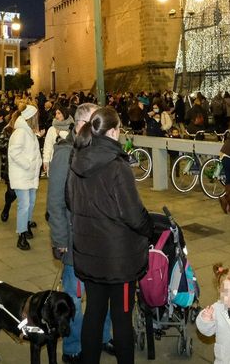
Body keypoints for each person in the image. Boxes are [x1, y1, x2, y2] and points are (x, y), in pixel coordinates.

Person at [68, 107, 152, 364]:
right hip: (119, 259)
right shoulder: (117, 166)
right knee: (122, 316)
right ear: (114, 131)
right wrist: (149, 228)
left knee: (93, 312)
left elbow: (70, 203)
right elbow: (134, 214)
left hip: (89, 253)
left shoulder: (77, 160)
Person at [47, 103, 109, 364]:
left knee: (102, 293)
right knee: (72, 296)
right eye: (97, 123)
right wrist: (60, 240)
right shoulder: (65, 154)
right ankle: (73, 347)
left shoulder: (97, 150)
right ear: (83, 124)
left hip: (99, 238)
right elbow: (55, 203)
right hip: (74, 240)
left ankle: (103, 338)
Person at [8, 103, 43, 250]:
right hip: (22, 174)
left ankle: (27, 224)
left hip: (30, 174)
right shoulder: (21, 132)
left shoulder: (28, 131)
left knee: (31, 202)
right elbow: (14, 152)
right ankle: (21, 234)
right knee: (24, 204)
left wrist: (38, 163)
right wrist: (29, 165)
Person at [44, 106, 73, 175]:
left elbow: (72, 140)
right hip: (55, 160)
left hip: (69, 161)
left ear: (64, 114)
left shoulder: (72, 127)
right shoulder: (52, 129)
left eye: (59, 113)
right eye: (55, 114)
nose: (56, 116)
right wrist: (46, 160)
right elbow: (48, 145)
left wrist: (60, 132)